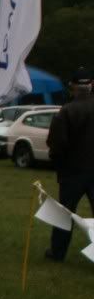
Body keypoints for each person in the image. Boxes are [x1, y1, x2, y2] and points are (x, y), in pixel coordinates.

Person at [45, 67, 94, 261]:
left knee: (64, 214)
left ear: (72, 87)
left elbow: (56, 144)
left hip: (72, 171)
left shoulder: (66, 111)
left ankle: (57, 252)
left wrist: (59, 164)